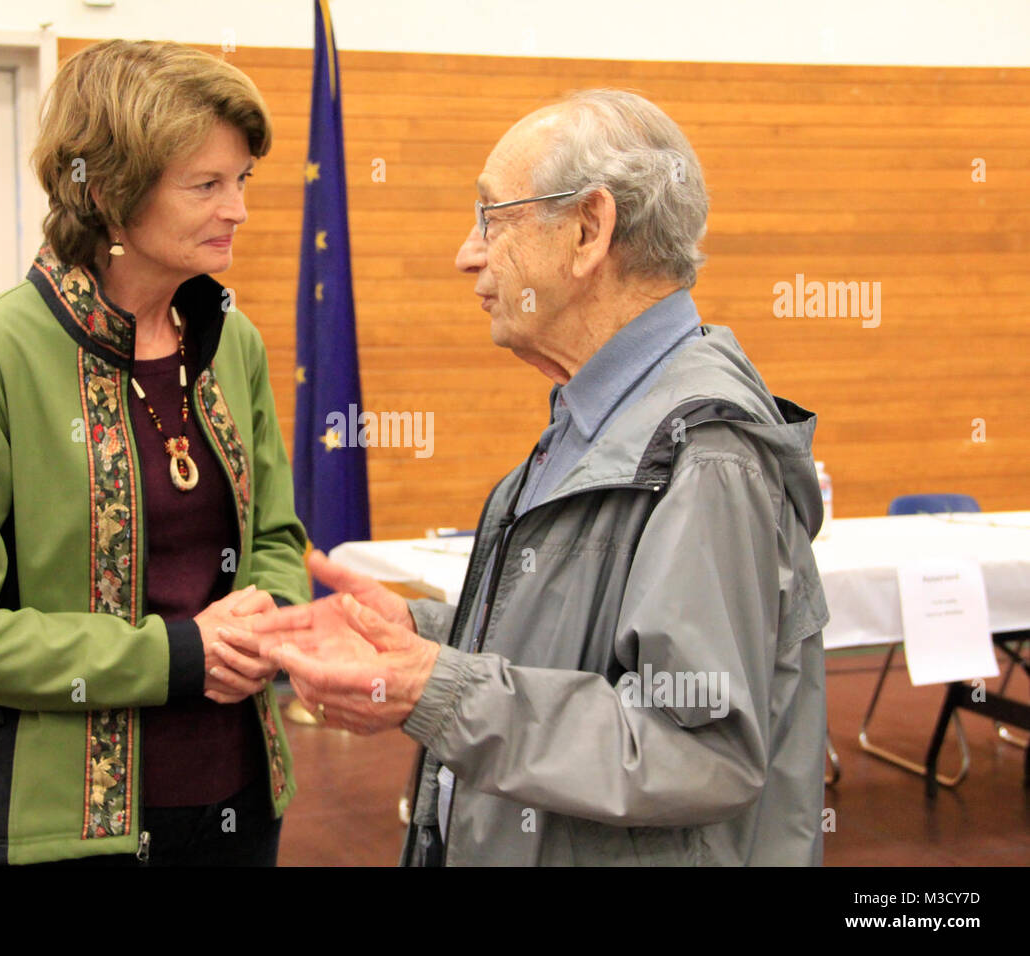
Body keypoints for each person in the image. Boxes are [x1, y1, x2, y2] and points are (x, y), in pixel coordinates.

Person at [222, 89, 830, 866]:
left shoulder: (705, 453)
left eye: (491, 218)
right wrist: (421, 637)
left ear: (588, 231)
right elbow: (585, 653)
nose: (466, 254)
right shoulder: (603, 419)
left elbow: (696, 749)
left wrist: (436, 690)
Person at [0, 39, 309, 867]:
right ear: (113, 196)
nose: (238, 211)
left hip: (240, 800)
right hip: (60, 833)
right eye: (206, 185)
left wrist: (269, 623)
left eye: (241, 182)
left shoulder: (234, 343)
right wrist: (175, 656)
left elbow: (277, 540)